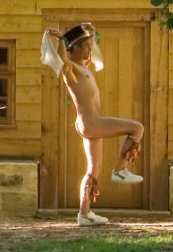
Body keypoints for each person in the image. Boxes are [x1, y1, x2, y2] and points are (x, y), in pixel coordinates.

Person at [42, 22, 145, 226]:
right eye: (86, 47)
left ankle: (85, 214)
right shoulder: (71, 69)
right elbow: (62, 60)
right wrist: (62, 40)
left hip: (89, 123)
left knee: (94, 168)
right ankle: (120, 171)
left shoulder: (83, 67)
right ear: (75, 48)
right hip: (91, 123)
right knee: (137, 128)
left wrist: (88, 30)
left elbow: (91, 45)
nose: (90, 50)